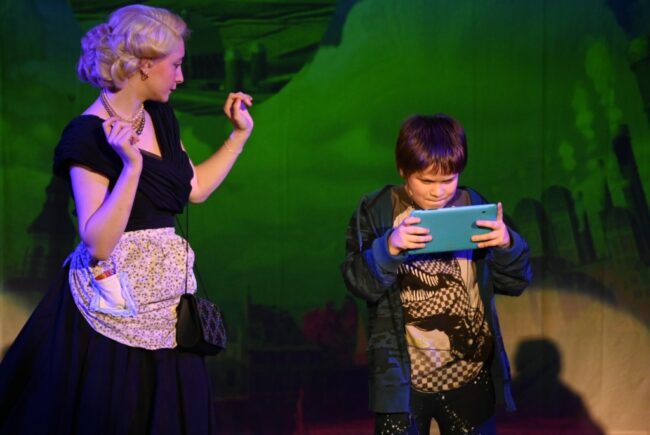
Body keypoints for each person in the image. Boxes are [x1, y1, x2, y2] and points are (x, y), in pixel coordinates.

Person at [0, 4, 253, 434]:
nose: (180, 77)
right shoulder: (87, 133)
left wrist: (238, 137)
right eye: (175, 66)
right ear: (143, 65)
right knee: (121, 413)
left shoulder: (160, 119)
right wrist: (131, 169)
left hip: (168, 307)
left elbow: (195, 188)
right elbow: (98, 240)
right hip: (112, 307)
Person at [341, 114, 532, 435]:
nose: (437, 192)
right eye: (426, 181)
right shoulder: (377, 211)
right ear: (403, 171)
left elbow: (517, 281)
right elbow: (358, 282)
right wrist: (389, 247)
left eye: (448, 180)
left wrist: (506, 243)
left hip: (470, 374)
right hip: (402, 382)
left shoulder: (474, 205)